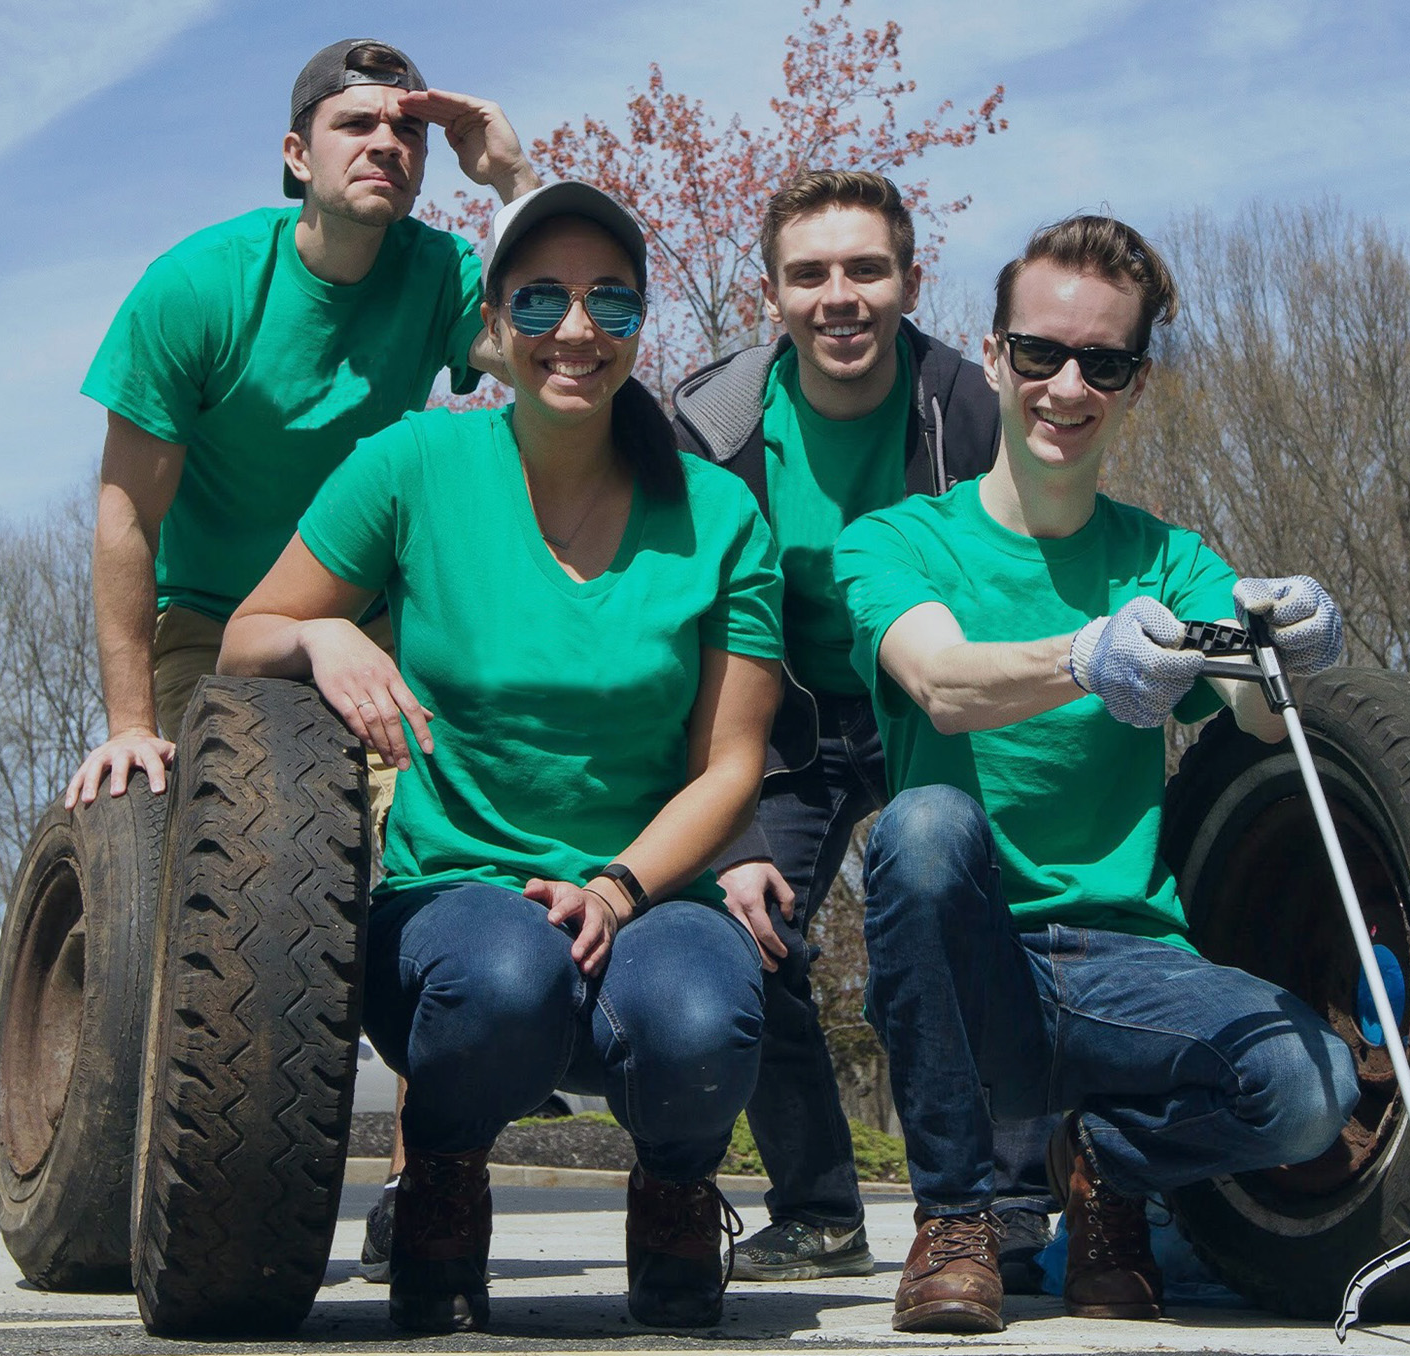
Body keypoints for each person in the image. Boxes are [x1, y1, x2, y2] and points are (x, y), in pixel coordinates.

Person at [219, 181, 784, 1335]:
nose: (576, 328)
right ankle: (440, 1177)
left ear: (638, 325)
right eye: (541, 299)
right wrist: (324, 634)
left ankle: (676, 1192)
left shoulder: (720, 515)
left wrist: (617, 888)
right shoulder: (411, 464)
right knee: (504, 981)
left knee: (700, 1020)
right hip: (452, 896)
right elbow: (243, 641)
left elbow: (729, 768)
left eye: (610, 301)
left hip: (648, 890)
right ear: (493, 323)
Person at [833, 214, 1362, 1333]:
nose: (1066, 387)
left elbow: (1255, 715)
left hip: (1131, 965)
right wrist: (1083, 656)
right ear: (992, 356)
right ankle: (958, 1219)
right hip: (973, 961)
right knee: (922, 828)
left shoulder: (1168, 559)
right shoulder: (895, 541)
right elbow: (942, 684)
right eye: (1040, 353)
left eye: (1102, 364)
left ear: (1134, 384)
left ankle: (1105, 1168)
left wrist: (1287, 649)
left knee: (1309, 1088)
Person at [673, 169, 1058, 1288]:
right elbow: (682, 635)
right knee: (740, 931)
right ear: (771, 296)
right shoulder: (708, 428)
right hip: (778, 718)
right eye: (809, 275)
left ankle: (1010, 1202)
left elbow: (1027, 578)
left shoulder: (974, 411)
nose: (837, 296)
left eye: (864, 270)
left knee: (994, 917)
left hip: (930, 699)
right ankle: (817, 1210)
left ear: (908, 282)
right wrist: (733, 841)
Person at [66, 36, 538, 811]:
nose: (386, 143)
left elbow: (547, 356)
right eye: (355, 124)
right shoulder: (195, 290)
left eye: (408, 130)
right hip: (211, 627)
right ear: (297, 155)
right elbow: (127, 520)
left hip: (373, 618)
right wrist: (130, 727)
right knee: (234, 835)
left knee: (439, 824)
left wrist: (513, 181)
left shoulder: (440, 274)